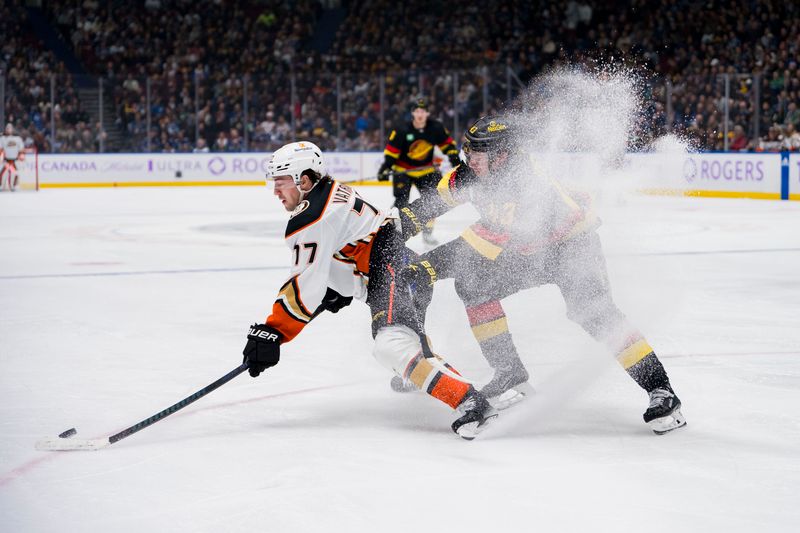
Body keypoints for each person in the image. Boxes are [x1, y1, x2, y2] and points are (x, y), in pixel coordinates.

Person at [394, 116, 687, 435]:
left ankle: (663, 392)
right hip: (527, 251)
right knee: (474, 286)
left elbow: (480, 242)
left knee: (594, 313)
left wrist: (428, 265)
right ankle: (510, 373)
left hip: (573, 248)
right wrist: (389, 229)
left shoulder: (525, 180)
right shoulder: (471, 174)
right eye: (468, 151)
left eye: (477, 153)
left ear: (501, 155)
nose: (469, 159)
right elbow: (427, 207)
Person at [241, 141, 497, 439]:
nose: (275, 191)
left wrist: (273, 332)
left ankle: (472, 403)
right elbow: (352, 243)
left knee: (391, 347)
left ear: (305, 180)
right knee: (408, 350)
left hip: (391, 272)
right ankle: (426, 373)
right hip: (399, 267)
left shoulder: (311, 218)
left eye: (281, 182)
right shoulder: (332, 189)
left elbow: (303, 288)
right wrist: (339, 286)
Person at [377, 98, 461, 246]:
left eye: (422, 111)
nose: (420, 114)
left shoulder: (435, 128)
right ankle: (392, 235)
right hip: (403, 171)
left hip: (426, 169)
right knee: (400, 204)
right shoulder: (402, 129)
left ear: (427, 113)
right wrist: (386, 167)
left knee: (432, 200)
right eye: (417, 111)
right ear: (412, 113)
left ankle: (427, 234)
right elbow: (392, 151)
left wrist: (454, 159)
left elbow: (448, 145)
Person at [0, 124, 25, 191]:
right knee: (3, 174)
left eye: (10, 128)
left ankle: (14, 186)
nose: (8, 130)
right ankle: (2, 186)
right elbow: (0, 149)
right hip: (6, 161)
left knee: (15, 173)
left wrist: (21, 155)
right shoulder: (2, 138)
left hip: (15, 161)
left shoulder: (18, 138)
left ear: (12, 129)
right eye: (7, 128)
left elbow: (21, 149)